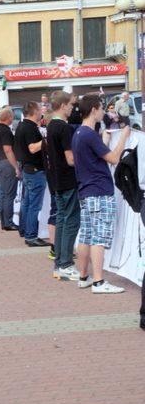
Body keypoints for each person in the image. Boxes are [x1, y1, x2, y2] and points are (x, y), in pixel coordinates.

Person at [72, 94, 131, 293]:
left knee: (87, 236)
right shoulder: (88, 134)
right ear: (93, 110)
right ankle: (98, 282)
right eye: (101, 107)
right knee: (99, 237)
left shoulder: (80, 133)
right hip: (99, 191)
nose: (104, 111)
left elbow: (97, 156)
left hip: (87, 191)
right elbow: (114, 158)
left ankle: (84, 277)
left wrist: (103, 140)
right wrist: (123, 137)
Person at [44, 91, 81, 281]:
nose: (73, 107)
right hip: (67, 180)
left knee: (62, 220)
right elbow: (71, 159)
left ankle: (60, 263)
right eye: (71, 104)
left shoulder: (51, 126)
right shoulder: (65, 129)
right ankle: (66, 263)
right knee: (70, 221)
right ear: (63, 106)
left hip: (57, 181)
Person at [14, 102, 51, 247]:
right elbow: (33, 148)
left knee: (28, 203)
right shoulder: (29, 128)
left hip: (27, 168)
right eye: (40, 110)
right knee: (34, 204)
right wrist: (46, 139)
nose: (42, 113)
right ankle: (31, 236)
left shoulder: (21, 126)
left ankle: (26, 232)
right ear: (35, 112)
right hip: (34, 170)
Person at [0, 108, 19, 231]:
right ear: (8, 117)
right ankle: (8, 222)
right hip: (7, 163)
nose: (13, 118)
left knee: (3, 193)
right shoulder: (6, 132)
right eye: (12, 116)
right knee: (9, 194)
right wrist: (16, 167)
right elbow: (8, 150)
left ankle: (4, 221)